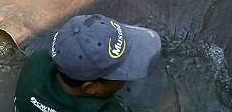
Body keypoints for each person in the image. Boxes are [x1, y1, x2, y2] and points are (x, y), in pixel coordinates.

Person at [14, 14, 162, 112]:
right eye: (121, 73)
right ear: (91, 88)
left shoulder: (37, 61)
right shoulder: (107, 109)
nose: (125, 78)